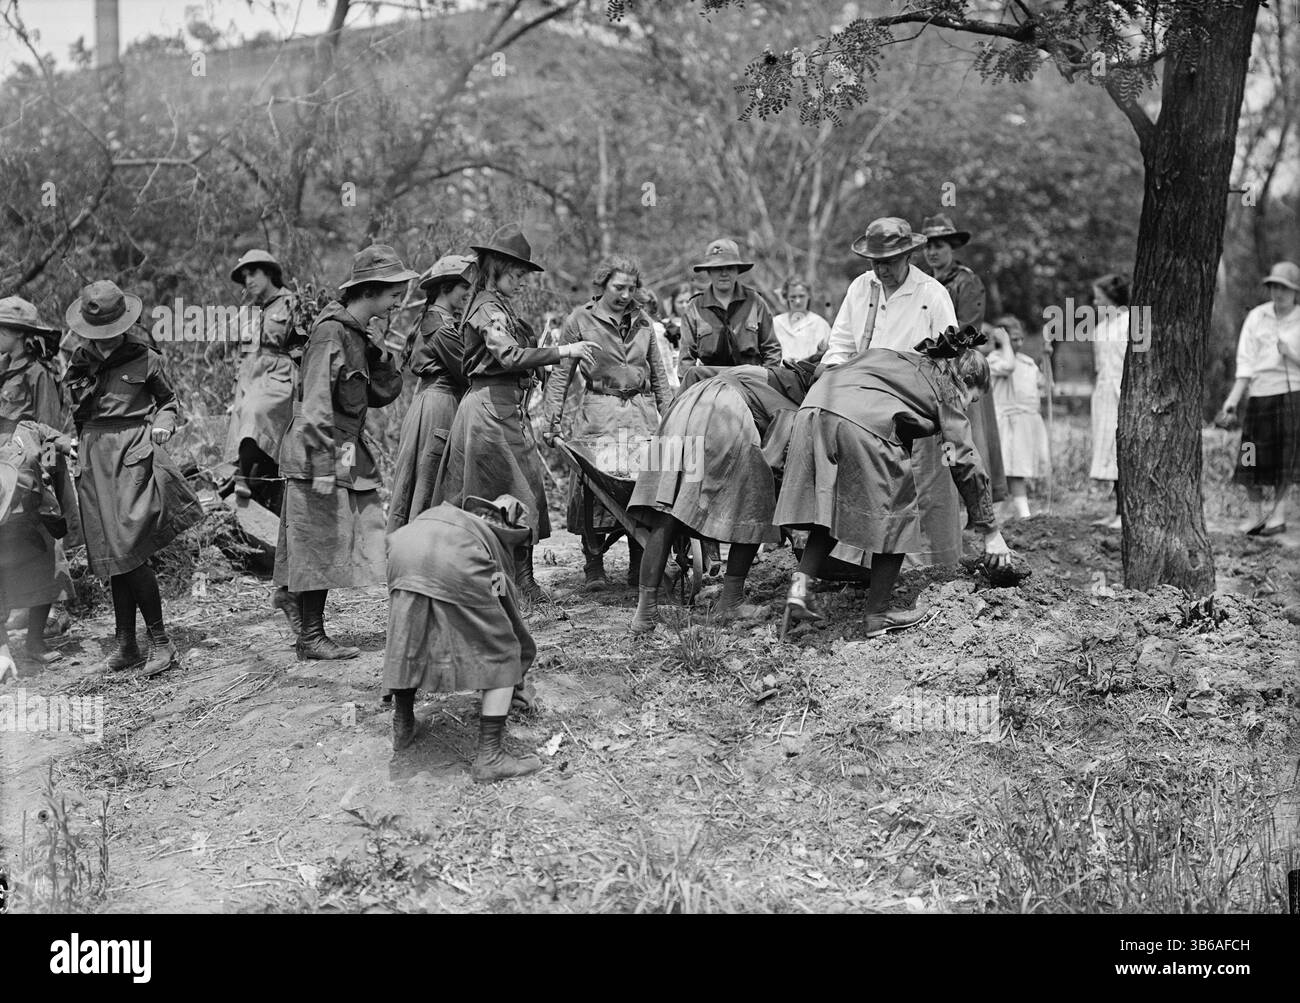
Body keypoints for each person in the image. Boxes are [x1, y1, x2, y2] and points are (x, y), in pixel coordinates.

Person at [774, 329, 1012, 640]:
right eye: (974, 400)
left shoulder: (900, 361)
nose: (968, 408)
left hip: (813, 411)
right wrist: (990, 530)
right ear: (968, 382)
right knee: (898, 511)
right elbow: (962, 457)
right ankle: (878, 614)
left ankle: (800, 590)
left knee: (829, 510)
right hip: (862, 422)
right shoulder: (949, 385)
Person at [432, 225, 598, 603]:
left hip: (505, 409)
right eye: (518, 275)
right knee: (494, 496)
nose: (523, 283)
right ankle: (494, 584)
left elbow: (511, 359)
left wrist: (534, 368)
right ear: (497, 268)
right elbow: (505, 355)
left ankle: (520, 581)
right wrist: (564, 352)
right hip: (489, 412)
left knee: (522, 493)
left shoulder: (498, 306)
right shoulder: (488, 308)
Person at [274, 245, 415, 658]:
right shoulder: (329, 333)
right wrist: (320, 462)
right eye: (394, 293)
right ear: (372, 290)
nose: (399, 301)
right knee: (321, 536)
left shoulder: (358, 335)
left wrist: (380, 351)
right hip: (320, 450)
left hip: (347, 449)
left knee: (349, 530)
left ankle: (290, 596)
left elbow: (382, 393)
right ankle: (311, 636)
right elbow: (314, 401)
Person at [64, 281, 206, 676]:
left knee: (129, 549)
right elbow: (75, 411)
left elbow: (170, 404)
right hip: (93, 459)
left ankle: (160, 641)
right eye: (97, 335)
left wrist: (163, 425)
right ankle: (126, 643)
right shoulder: (78, 360)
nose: (105, 342)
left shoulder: (145, 359)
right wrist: (74, 444)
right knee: (112, 554)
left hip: (132, 453)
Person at [627, 362, 816, 633]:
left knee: (665, 512)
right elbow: (776, 462)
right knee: (759, 504)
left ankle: (645, 614)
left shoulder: (764, 373)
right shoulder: (795, 405)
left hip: (685, 406)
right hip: (722, 414)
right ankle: (731, 601)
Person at [823, 217, 966, 568]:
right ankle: (857, 566)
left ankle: (927, 569)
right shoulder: (861, 287)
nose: (881, 270)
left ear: (909, 255)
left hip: (913, 405)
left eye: (888, 261)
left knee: (921, 487)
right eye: (875, 262)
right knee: (865, 485)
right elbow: (840, 342)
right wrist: (831, 373)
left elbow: (949, 357)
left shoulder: (932, 293)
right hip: (863, 404)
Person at [383, 493, 543, 780]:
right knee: (501, 649)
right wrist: (515, 679)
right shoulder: (490, 545)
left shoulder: (454, 517)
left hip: (402, 548)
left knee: (408, 639)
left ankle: (403, 724)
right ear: (512, 533)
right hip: (454, 557)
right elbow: (507, 621)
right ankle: (490, 758)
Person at [545, 255, 672, 590]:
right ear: (602, 285)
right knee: (593, 492)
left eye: (631, 288)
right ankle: (594, 566)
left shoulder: (642, 321)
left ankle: (637, 564)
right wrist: (551, 421)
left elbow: (658, 373)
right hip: (600, 415)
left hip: (641, 417)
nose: (626, 294)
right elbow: (561, 374)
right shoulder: (580, 320)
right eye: (619, 287)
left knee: (640, 491)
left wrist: (671, 417)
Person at [0, 297, 75, 660]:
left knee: (41, 552)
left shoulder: (38, 375)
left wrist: (46, 480)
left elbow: (47, 429)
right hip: (2, 477)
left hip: (30, 478)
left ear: (19, 335)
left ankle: (34, 643)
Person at [921, 214, 1008, 504]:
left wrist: (940, 353)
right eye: (928, 246)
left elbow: (968, 327)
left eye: (939, 245)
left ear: (952, 248)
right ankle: (942, 501)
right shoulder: (922, 282)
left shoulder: (966, 281)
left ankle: (975, 503)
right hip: (928, 365)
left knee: (967, 433)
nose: (933, 252)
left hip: (960, 365)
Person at [386, 253, 476, 533]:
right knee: (430, 481)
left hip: (431, 403)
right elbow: (467, 370)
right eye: (464, 287)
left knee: (423, 480)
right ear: (447, 287)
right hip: (440, 406)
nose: (467, 294)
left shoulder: (437, 320)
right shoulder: (441, 326)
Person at [1217, 260, 1300, 536]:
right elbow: (1246, 362)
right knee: (1250, 459)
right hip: (1259, 397)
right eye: (1274, 286)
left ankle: (1277, 516)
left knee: (1284, 460)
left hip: (1291, 397)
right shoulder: (1257, 317)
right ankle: (1254, 515)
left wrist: (1291, 353)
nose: (1279, 293)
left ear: (1295, 291)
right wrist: (1232, 400)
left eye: (1285, 288)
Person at [223, 250, 303, 515]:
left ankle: (244, 477)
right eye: (244, 276)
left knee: (257, 412)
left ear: (268, 272)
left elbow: (306, 345)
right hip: (250, 375)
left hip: (278, 374)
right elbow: (235, 351)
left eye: (253, 273)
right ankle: (248, 482)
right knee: (242, 417)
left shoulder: (292, 303)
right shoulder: (248, 312)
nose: (248, 281)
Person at [0, 420, 73, 681]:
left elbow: (46, 435)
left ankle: (34, 642)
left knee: (46, 574)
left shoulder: (23, 429)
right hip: (2, 525)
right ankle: (3, 652)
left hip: (35, 515)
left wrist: (64, 446)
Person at [677, 238, 781, 380]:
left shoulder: (755, 302)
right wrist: (690, 391)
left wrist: (767, 380)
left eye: (730, 268)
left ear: (737, 271)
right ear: (709, 272)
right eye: (718, 269)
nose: (724, 273)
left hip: (751, 379)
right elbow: (686, 359)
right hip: (709, 382)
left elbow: (771, 349)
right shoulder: (695, 307)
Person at [987, 315, 1049, 519]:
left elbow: (1046, 386)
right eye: (1013, 339)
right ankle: (1021, 512)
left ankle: (1007, 511)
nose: (1019, 343)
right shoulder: (995, 359)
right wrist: (1003, 343)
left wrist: (1046, 360)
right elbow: (1008, 367)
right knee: (1010, 469)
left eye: (1020, 338)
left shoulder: (1027, 361)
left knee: (1016, 468)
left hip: (1026, 422)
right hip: (1005, 422)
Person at [1087, 273, 1130, 530]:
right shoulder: (1100, 328)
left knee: (1122, 451)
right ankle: (1116, 511)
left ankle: (1124, 512)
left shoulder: (1129, 323)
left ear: (1112, 298)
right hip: (1104, 392)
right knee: (1110, 452)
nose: (1094, 302)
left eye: (1099, 297)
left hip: (1121, 391)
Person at [772, 278, 830, 362]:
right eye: (793, 297)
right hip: (777, 371)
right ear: (786, 297)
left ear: (809, 296)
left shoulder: (820, 324)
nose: (797, 301)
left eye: (801, 296)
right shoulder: (776, 323)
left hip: (808, 372)